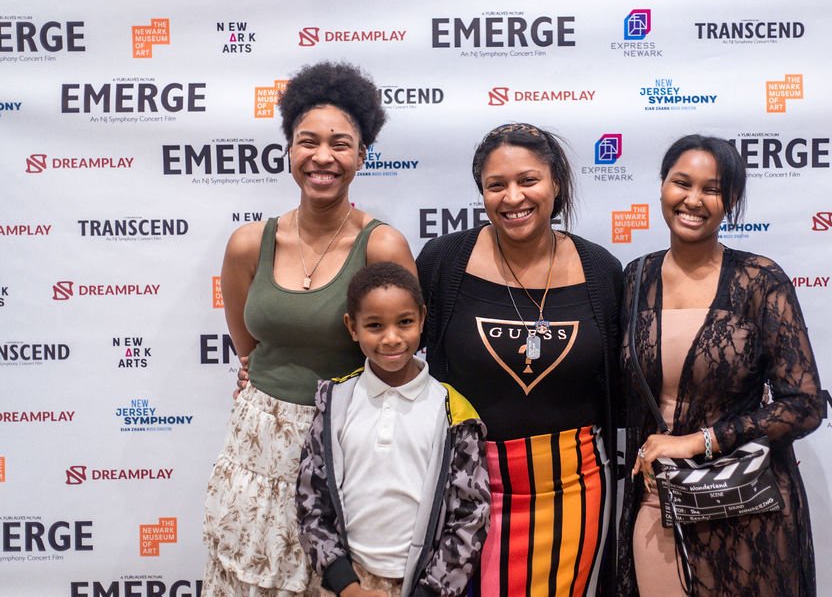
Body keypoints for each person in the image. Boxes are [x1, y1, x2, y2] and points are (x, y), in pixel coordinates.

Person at [203, 61, 416, 597]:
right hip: (258, 445)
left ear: (362, 155)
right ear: (289, 150)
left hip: (346, 447)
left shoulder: (382, 246)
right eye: (308, 141)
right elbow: (249, 348)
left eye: (341, 144)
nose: (323, 157)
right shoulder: (248, 244)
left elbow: (400, 352)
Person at [416, 123, 624, 597]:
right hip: (466, 489)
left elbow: (627, 374)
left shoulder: (601, 271)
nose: (513, 197)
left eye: (528, 180)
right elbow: (396, 351)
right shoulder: (443, 261)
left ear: (557, 184)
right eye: (497, 185)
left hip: (573, 489)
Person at [622, 134, 823, 597]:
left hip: (745, 509)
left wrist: (700, 441)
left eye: (711, 189)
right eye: (681, 183)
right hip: (659, 505)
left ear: (730, 201)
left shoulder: (760, 280)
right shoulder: (636, 278)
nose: (693, 200)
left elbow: (805, 404)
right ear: (662, 186)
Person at [296, 262, 490, 597]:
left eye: (405, 322)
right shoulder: (335, 403)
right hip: (347, 585)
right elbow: (311, 502)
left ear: (422, 319)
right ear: (352, 327)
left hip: (423, 586)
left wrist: (429, 591)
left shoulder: (453, 412)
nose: (391, 338)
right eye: (374, 325)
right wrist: (348, 587)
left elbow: (470, 515)